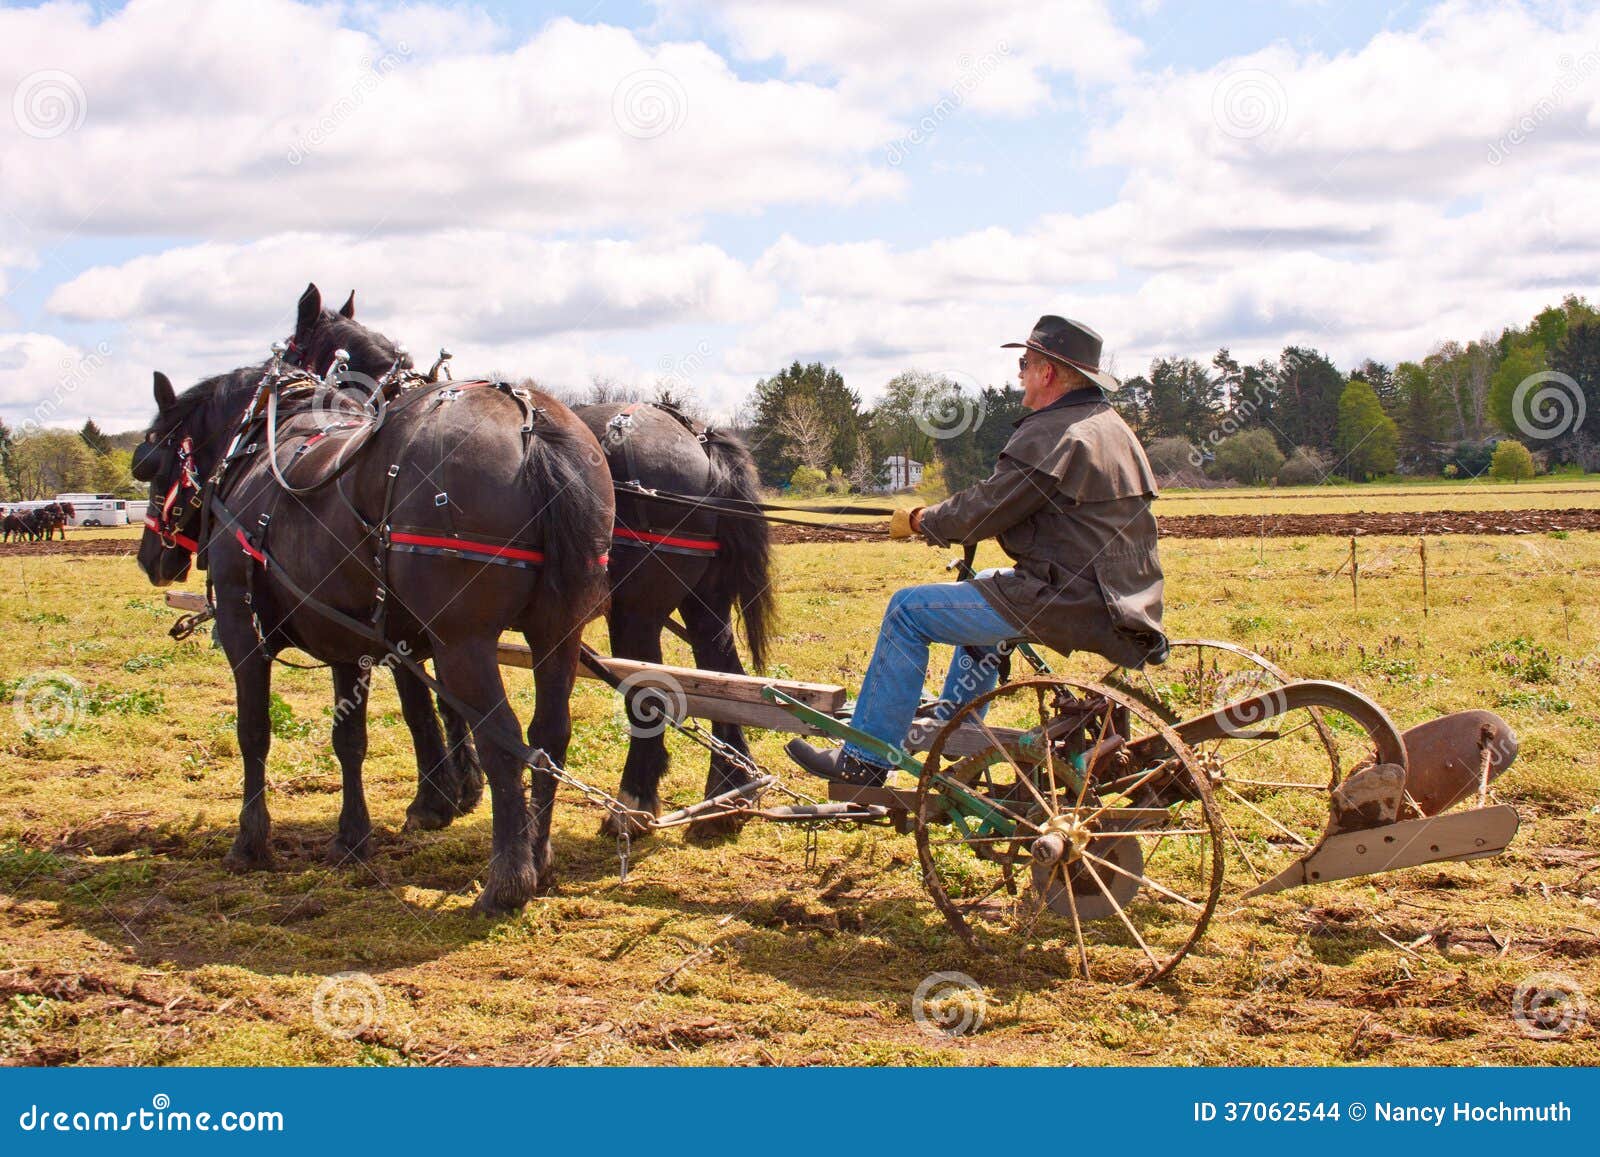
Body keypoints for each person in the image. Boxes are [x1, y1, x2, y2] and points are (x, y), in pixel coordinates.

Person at [786, 315, 1168, 787]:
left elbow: (987, 508)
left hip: (1066, 599)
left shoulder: (1053, 432)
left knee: (906, 610)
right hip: (1121, 596)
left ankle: (865, 760)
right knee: (985, 582)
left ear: (1048, 372)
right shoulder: (1111, 429)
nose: (1020, 374)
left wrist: (925, 520)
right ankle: (963, 730)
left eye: (1025, 363)